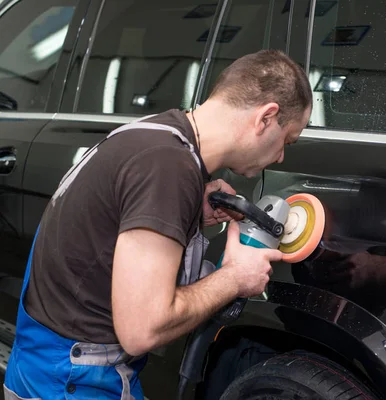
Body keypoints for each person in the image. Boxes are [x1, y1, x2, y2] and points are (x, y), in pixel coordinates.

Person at [3, 49, 313, 399]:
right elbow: (142, 330)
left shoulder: (153, 134)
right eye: (287, 140)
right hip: (70, 383)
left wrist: (187, 213)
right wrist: (235, 278)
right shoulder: (168, 168)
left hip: (40, 367)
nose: (282, 156)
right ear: (266, 117)